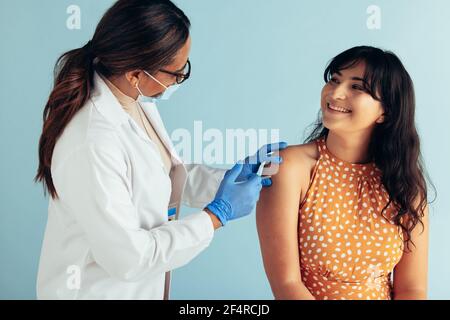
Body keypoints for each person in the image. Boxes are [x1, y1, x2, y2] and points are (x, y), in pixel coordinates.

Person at [34, 0, 286, 299]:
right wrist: (217, 215)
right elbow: (128, 259)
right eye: (176, 73)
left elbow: (159, 177)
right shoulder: (91, 140)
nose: (180, 79)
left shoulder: (131, 102)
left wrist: (229, 180)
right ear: (135, 74)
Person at [257, 46, 431, 300]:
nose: (335, 93)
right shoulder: (289, 168)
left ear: (386, 111)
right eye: (334, 80)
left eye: (357, 87)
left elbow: (412, 288)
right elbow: (287, 284)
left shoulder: (406, 184)